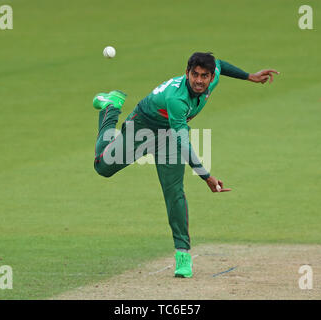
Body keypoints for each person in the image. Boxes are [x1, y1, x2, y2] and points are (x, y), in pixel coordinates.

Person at [92, 52, 279, 278]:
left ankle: (183, 255)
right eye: (195, 75)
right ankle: (111, 107)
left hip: (168, 137)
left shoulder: (213, 75)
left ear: (211, 77)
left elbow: (219, 64)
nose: (199, 81)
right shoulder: (177, 99)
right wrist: (206, 176)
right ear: (187, 73)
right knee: (102, 167)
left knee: (174, 193)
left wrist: (249, 76)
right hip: (142, 128)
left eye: (204, 76)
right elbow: (183, 142)